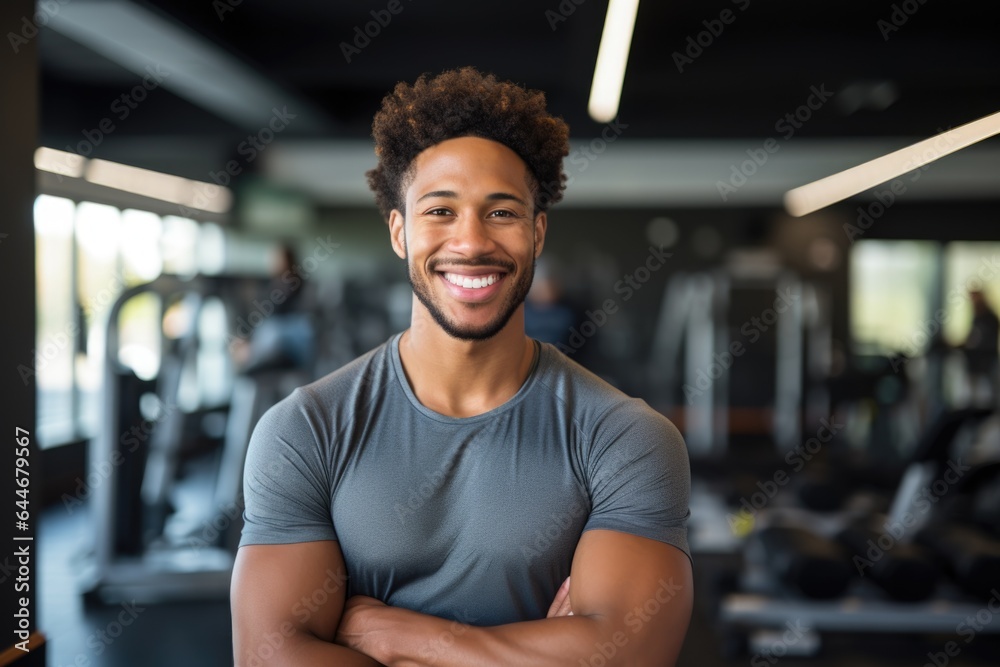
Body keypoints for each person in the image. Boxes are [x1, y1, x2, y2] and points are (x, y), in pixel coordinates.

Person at [231, 67, 692, 666]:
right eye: (440, 211)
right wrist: (528, 653)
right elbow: (267, 658)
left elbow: (626, 658)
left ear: (538, 232)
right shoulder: (304, 432)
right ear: (400, 232)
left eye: (501, 213)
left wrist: (398, 638)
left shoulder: (627, 440)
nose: (471, 242)